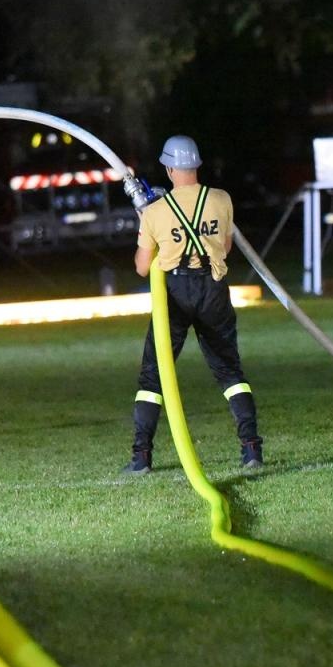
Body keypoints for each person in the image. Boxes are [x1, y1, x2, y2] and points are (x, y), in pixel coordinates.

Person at [124, 135, 263, 474]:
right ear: (196, 165)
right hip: (213, 288)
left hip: (173, 293)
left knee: (153, 375)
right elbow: (225, 247)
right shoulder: (221, 199)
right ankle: (251, 449)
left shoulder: (154, 212)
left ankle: (141, 457)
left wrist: (149, 224)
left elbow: (142, 267)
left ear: (170, 169)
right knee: (230, 371)